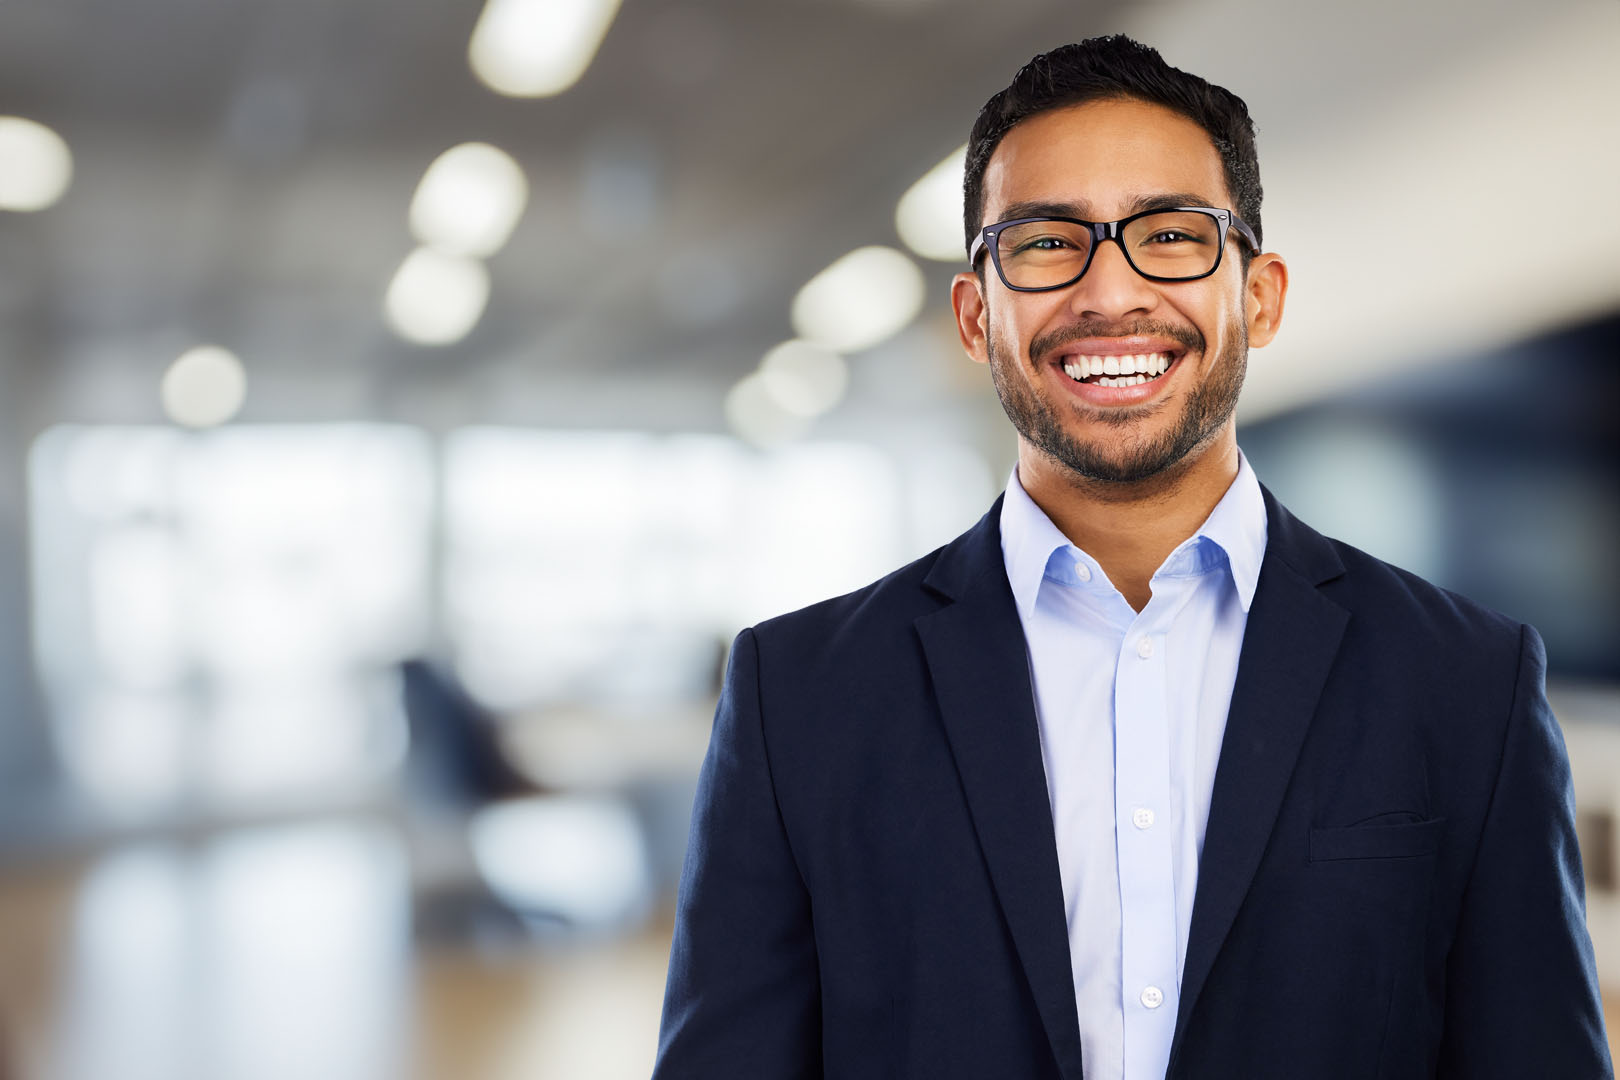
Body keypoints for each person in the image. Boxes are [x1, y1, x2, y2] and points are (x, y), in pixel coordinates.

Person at [652, 35, 1612, 1080]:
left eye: (1170, 234)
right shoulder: (799, 698)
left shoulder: (1467, 681)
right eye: (1046, 243)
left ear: (1261, 297)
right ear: (978, 315)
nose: (1109, 293)